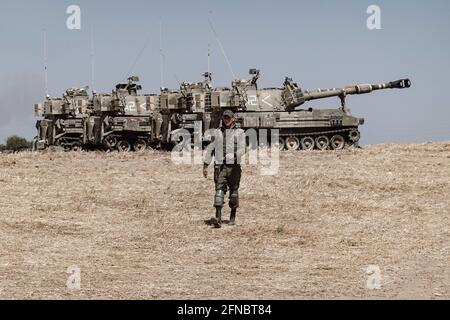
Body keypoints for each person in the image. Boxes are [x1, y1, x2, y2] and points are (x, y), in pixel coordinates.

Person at [203, 110, 245, 228]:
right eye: (224, 118)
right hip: (220, 166)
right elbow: (210, 149)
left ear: (233, 119)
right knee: (219, 191)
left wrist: (235, 154)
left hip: (234, 167)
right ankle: (218, 219)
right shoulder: (217, 133)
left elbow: (243, 148)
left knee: (233, 193)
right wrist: (206, 165)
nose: (226, 120)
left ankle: (232, 217)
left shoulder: (240, 132)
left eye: (228, 118)